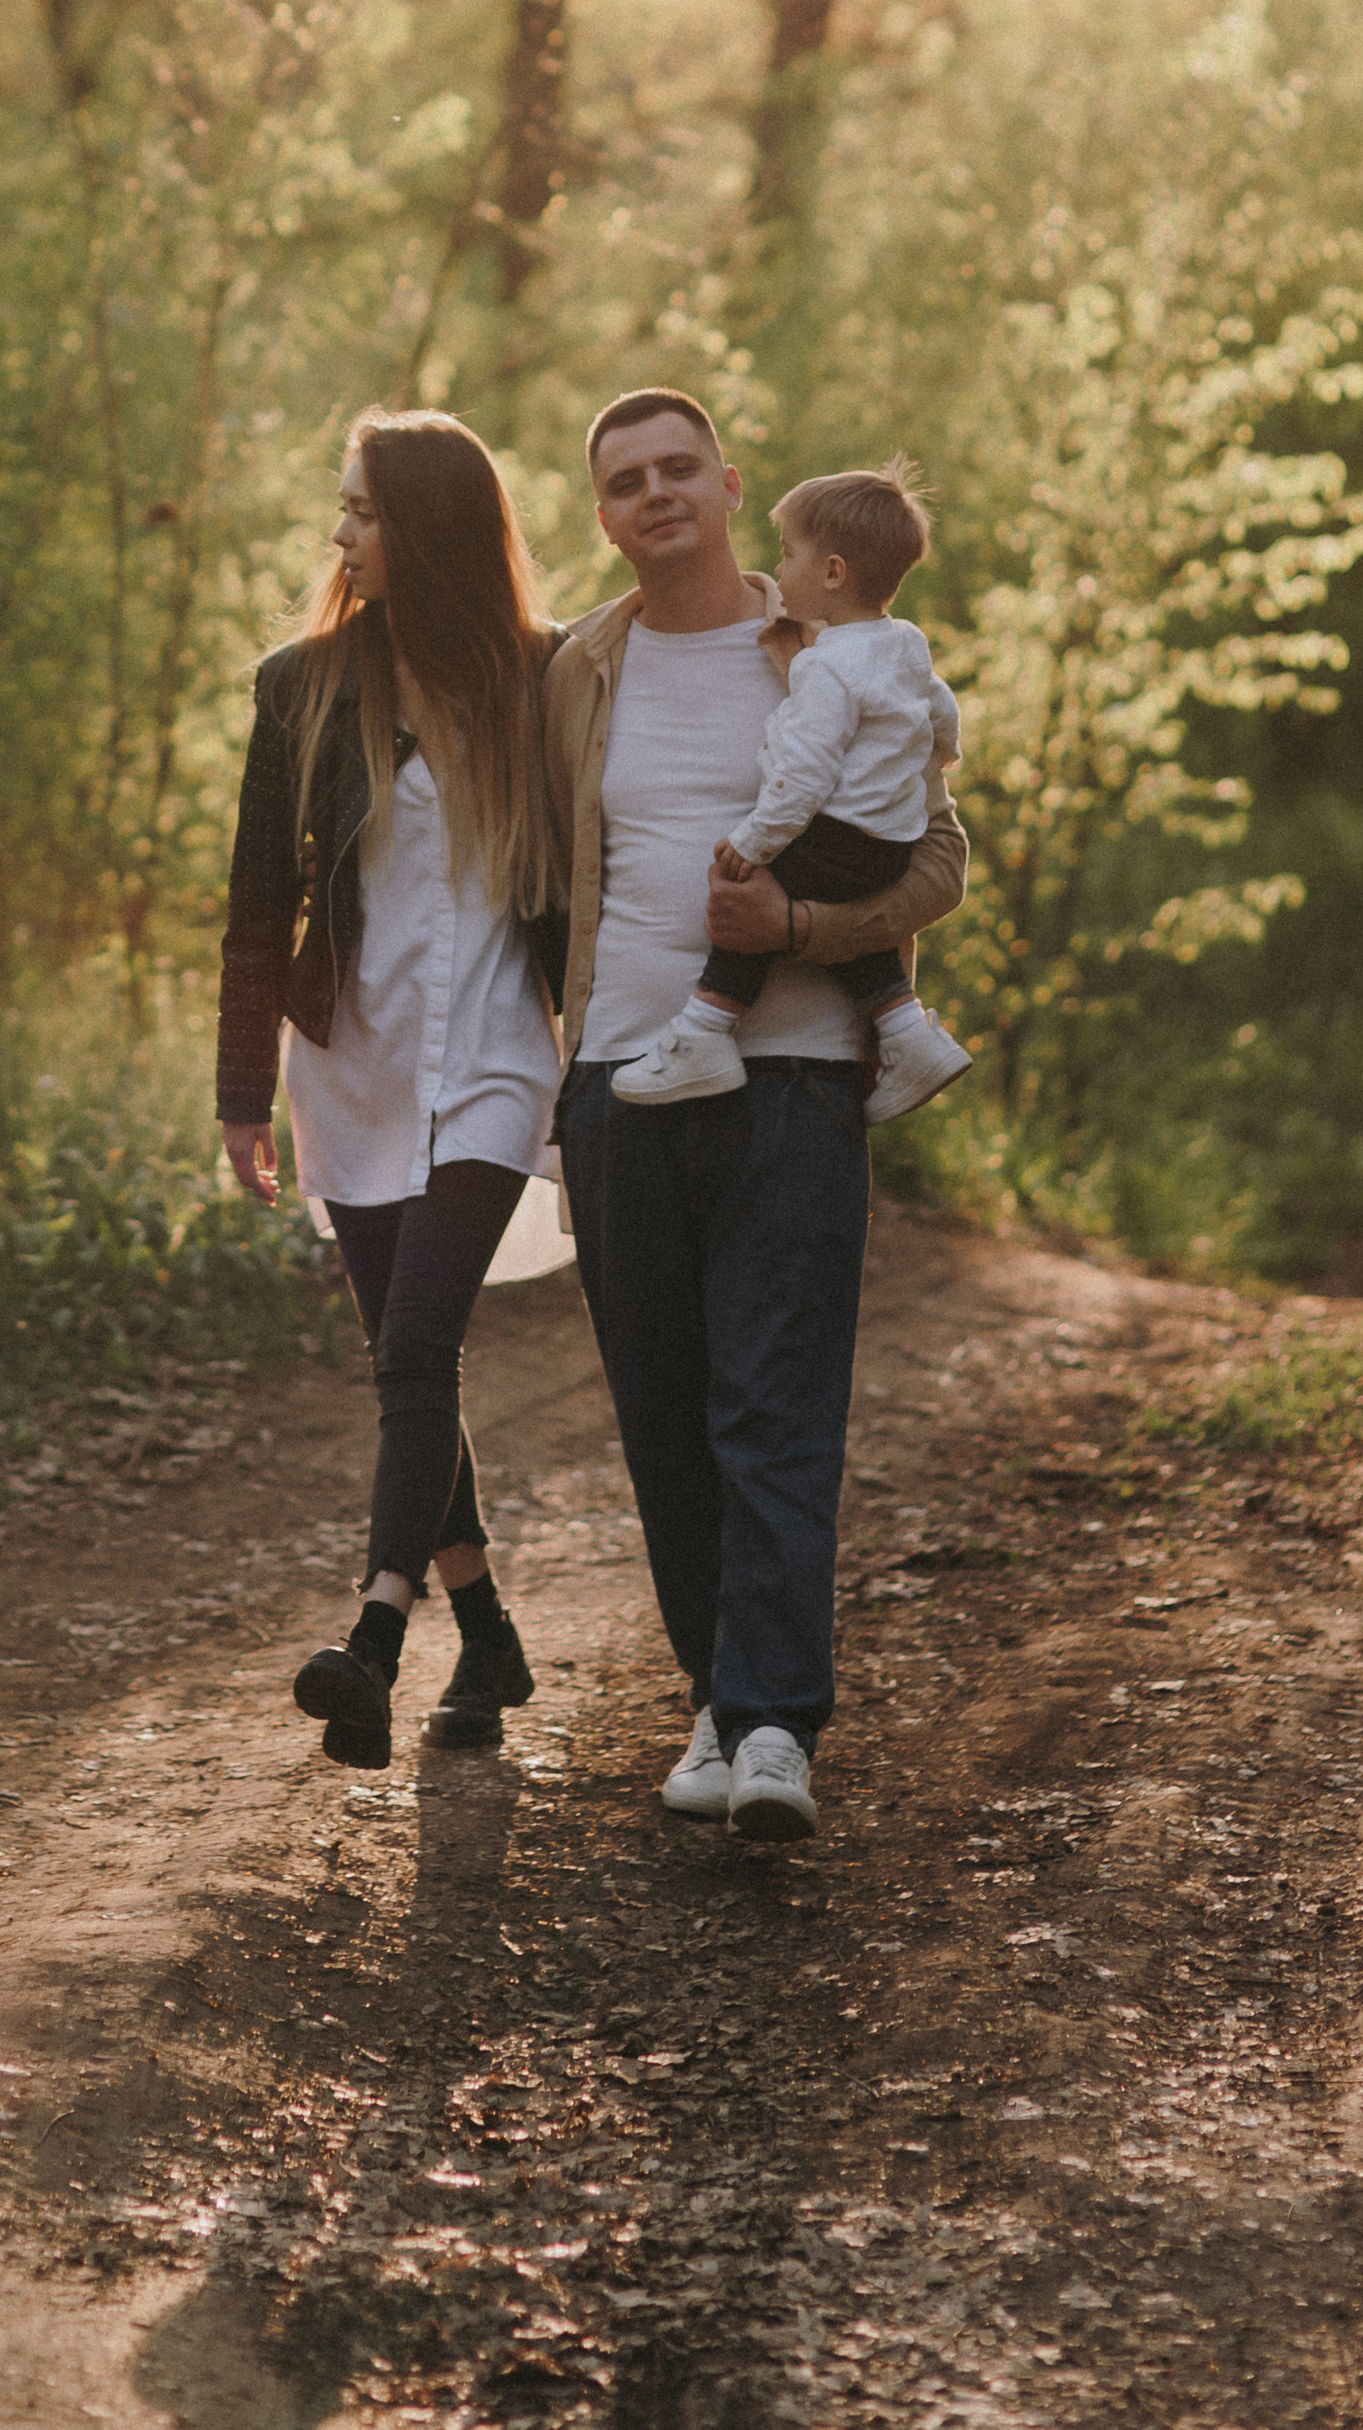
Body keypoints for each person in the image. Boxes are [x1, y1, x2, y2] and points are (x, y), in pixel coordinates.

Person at [547, 390, 968, 1841]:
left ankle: (779, 1719)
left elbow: (940, 862)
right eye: (625, 480)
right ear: (601, 513)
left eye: (680, 469)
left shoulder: (833, 643)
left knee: (773, 1406)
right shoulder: (577, 669)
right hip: (619, 1074)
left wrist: (796, 922)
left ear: (730, 486)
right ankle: (720, 1698)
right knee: (664, 1410)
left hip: (790, 1076)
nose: (656, 493)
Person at [216, 408, 567, 1772]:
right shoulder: (300, 682)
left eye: (360, 507)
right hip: (351, 1060)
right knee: (405, 1361)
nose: (339, 531)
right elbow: (259, 901)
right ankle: (485, 1630)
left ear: (424, 523)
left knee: (419, 1344)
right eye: (338, 505)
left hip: (493, 1053)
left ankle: (374, 1637)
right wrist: (245, 1090)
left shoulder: (544, 679)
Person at [609, 461, 973, 1123]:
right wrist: (940, 757)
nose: (780, 571)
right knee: (820, 911)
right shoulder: (905, 642)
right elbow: (939, 712)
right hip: (885, 845)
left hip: (837, 835)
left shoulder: (825, 665)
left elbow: (803, 777)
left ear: (833, 573)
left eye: (788, 556)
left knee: (748, 895)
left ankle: (705, 1028)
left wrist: (753, 841)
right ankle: (907, 1033)